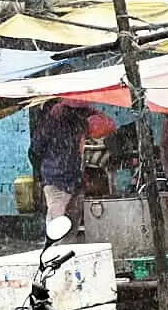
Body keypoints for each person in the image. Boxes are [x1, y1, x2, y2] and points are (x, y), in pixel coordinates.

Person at [29, 99, 116, 231]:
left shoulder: (75, 122)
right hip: (58, 181)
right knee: (61, 224)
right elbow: (34, 151)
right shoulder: (64, 123)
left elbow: (34, 151)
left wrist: (42, 175)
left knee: (67, 223)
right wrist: (42, 176)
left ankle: (61, 243)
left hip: (70, 179)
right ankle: (57, 244)